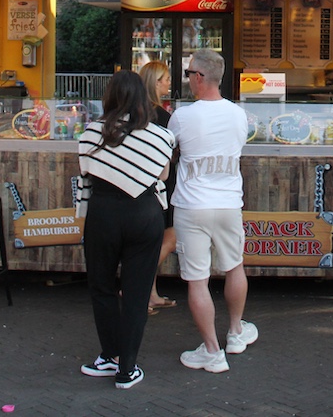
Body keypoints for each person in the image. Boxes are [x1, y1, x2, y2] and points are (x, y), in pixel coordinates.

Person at [78, 70, 175, 391]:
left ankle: (109, 355)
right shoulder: (162, 137)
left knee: (102, 287)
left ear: (110, 97)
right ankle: (127, 368)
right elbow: (161, 177)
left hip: (103, 213)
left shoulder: (91, 133)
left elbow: (86, 178)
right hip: (144, 215)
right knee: (136, 293)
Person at [170, 48, 255, 374]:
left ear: (201, 77)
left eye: (190, 73)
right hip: (228, 203)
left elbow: (169, 151)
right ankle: (235, 333)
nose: (188, 78)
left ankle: (211, 351)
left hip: (192, 206)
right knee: (234, 267)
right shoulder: (239, 115)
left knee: (197, 280)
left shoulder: (182, 116)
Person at [140, 60, 179, 313]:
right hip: (163, 182)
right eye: (165, 78)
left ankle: (149, 293)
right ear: (155, 82)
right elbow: (174, 150)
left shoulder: (137, 110)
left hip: (144, 182)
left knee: (153, 239)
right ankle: (140, 287)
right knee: (173, 234)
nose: (168, 83)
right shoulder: (162, 115)